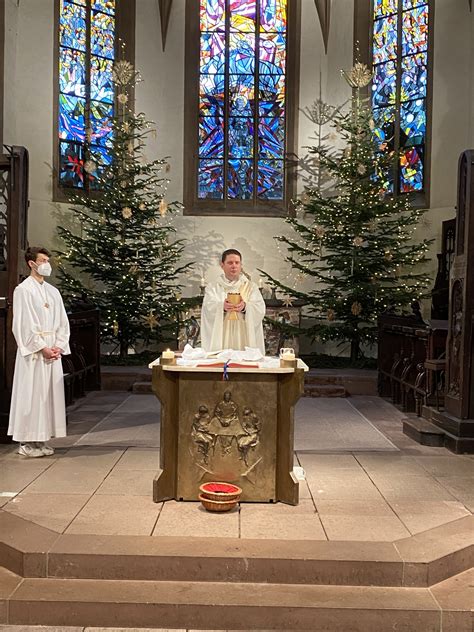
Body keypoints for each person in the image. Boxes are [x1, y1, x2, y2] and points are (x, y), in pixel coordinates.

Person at [8, 246, 70, 457]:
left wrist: (58, 346)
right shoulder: (23, 290)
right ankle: (26, 442)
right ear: (31, 263)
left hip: (52, 350)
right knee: (31, 396)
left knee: (47, 396)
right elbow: (22, 324)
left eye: (47, 260)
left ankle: (42, 439)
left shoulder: (53, 292)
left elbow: (63, 321)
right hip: (34, 353)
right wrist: (41, 347)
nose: (47, 264)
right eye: (43, 260)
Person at [201, 249, 265, 354]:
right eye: (230, 263)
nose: (234, 266)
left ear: (241, 265)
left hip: (243, 334)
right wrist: (221, 306)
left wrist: (245, 307)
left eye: (237, 263)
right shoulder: (213, 287)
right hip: (222, 335)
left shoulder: (250, 287)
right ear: (222, 265)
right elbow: (207, 308)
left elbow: (260, 309)